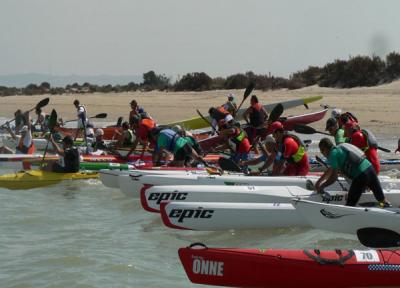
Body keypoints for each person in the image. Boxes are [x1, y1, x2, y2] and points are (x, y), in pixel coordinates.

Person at [315, 138, 390, 207]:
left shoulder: (333, 154)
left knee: (350, 205)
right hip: (370, 169)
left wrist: (322, 186)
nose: (322, 153)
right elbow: (330, 170)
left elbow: (334, 177)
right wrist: (319, 182)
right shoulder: (341, 147)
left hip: (361, 175)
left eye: (322, 151)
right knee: (381, 199)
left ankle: (349, 220)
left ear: (325, 149)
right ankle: (389, 210)